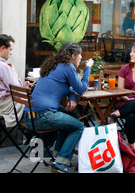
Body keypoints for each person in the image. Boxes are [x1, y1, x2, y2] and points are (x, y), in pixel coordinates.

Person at [25, 42, 93, 173]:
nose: (81, 58)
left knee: (69, 119)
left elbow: (68, 87)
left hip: (29, 116)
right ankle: (60, 163)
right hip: (42, 116)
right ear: (73, 55)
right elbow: (81, 89)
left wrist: (72, 98)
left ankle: (56, 156)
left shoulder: (53, 65)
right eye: (80, 55)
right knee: (79, 126)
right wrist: (87, 68)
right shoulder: (68, 67)